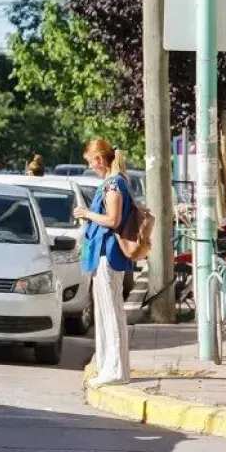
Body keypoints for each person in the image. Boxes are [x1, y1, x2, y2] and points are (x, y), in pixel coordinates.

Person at [72, 139, 134, 387]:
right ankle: (113, 368)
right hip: (107, 255)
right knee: (110, 312)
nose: (90, 166)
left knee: (110, 313)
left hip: (108, 255)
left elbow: (113, 220)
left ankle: (114, 370)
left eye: (91, 162)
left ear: (100, 159)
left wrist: (86, 213)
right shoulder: (116, 182)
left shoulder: (112, 184)